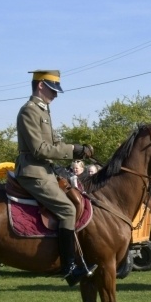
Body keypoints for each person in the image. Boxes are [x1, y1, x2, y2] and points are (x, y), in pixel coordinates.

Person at [15, 70, 96, 286]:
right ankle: (68, 268)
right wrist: (73, 150)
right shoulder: (29, 111)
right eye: (53, 90)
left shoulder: (43, 111)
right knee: (67, 210)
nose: (56, 95)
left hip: (46, 171)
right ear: (41, 85)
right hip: (34, 173)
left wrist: (77, 150)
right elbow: (40, 149)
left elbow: (53, 145)